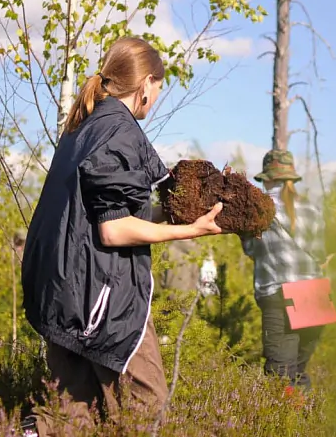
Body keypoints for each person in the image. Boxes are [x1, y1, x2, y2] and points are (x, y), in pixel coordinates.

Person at [20, 36, 225, 437]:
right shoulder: (118, 132)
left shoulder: (87, 125)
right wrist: (190, 230)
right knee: (144, 406)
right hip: (100, 297)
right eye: (160, 88)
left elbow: (113, 208)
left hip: (64, 290)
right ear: (147, 83)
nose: (158, 97)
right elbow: (114, 229)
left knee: (73, 413)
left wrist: (185, 210)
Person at [239, 149, 335, 399]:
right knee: (298, 373)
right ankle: (302, 425)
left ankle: (282, 426)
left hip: (279, 295)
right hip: (315, 297)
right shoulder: (311, 209)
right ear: (290, 177)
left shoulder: (258, 209)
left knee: (279, 376)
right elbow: (319, 254)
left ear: (266, 177)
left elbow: (252, 249)